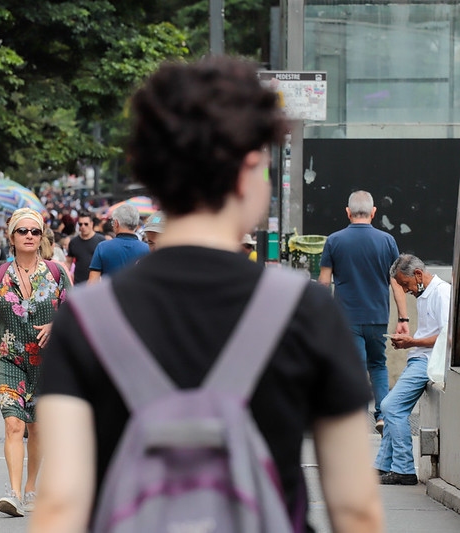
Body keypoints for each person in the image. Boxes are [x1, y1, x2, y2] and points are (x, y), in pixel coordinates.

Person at [31, 57, 382, 532]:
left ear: (150, 173)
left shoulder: (87, 319)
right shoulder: (307, 311)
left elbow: (58, 506)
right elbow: (356, 509)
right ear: (250, 170)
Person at [0, 208, 71, 518]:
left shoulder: (57, 273)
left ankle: (30, 488)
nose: (29, 236)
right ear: (12, 237)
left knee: (36, 427)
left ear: (42, 238)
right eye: (23, 231)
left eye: (35, 232)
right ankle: (13, 492)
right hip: (7, 359)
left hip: (46, 362)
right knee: (14, 424)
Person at [318, 190, 408, 434]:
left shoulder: (334, 241)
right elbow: (397, 282)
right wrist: (403, 318)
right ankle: (381, 415)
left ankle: (357, 419)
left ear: (348, 212)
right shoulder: (387, 241)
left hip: (346, 319)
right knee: (378, 365)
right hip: (378, 317)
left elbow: (324, 283)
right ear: (374, 212)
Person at [375, 255, 451, 485]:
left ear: (418, 274)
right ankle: (384, 465)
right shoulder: (425, 293)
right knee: (392, 407)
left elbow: (447, 337)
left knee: (391, 406)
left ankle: (403, 469)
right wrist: (410, 342)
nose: (406, 290)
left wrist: (412, 342)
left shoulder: (441, 293)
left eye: (405, 284)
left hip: (427, 360)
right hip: (420, 358)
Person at [87, 204, 149, 283]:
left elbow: (92, 282)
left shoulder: (103, 247)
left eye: (112, 222)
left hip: (110, 294)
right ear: (136, 224)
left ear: (116, 223)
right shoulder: (147, 249)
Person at [65, 211, 105, 285]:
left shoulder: (101, 241)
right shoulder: (74, 242)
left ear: (92, 224)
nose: (83, 226)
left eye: (86, 224)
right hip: (78, 283)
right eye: (80, 224)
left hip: (96, 283)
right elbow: (68, 262)